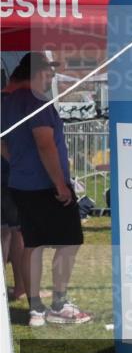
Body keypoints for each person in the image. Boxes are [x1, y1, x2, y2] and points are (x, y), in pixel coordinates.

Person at [0, 53, 91, 326]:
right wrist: (60, 184)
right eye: (48, 72)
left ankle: (36, 309)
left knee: (33, 243)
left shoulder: (8, 101)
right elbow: (45, 143)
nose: (51, 77)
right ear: (36, 72)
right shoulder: (37, 102)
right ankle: (58, 304)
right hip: (45, 186)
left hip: (21, 183)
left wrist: (16, 162)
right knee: (69, 241)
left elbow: (3, 143)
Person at [1, 71, 30, 303]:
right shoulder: (9, 104)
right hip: (9, 178)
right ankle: (20, 287)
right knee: (18, 232)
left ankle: (14, 288)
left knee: (7, 232)